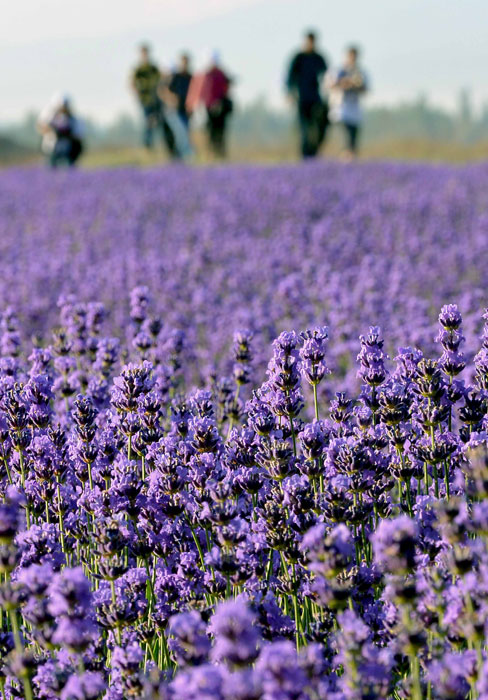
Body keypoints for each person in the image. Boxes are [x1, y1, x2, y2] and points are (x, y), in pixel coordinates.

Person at [130, 43, 177, 157]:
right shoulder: (138, 69)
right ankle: (148, 148)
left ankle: (169, 150)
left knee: (162, 123)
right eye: (143, 53)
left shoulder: (154, 68)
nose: (145, 55)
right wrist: (139, 95)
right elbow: (132, 84)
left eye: (146, 52)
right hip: (146, 101)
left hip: (157, 100)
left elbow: (161, 81)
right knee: (149, 124)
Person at [287, 30, 328, 159]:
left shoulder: (319, 58)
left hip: (317, 98)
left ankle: (314, 151)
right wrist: (290, 93)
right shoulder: (298, 58)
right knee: (304, 128)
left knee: (319, 127)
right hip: (302, 98)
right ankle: (306, 155)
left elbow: (327, 76)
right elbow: (290, 77)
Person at [186, 51, 233, 158]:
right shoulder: (203, 75)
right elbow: (196, 92)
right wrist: (193, 104)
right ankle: (209, 153)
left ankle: (219, 153)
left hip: (219, 108)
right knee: (208, 132)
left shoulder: (221, 74)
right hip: (206, 108)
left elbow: (225, 90)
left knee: (219, 132)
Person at [328, 46, 368, 160]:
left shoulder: (360, 72)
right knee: (346, 136)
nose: (353, 59)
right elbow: (330, 84)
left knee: (353, 138)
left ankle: (349, 158)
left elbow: (365, 89)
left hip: (355, 110)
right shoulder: (338, 70)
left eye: (354, 56)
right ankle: (346, 156)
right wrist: (344, 83)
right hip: (340, 109)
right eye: (351, 56)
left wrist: (356, 85)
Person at [37, 95, 84, 168]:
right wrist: (52, 131)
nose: (63, 109)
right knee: (51, 165)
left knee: (69, 166)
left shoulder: (74, 119)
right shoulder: (50, 116)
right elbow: (41, 126)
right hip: (52, 147)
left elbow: (78, 136)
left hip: (68, 147)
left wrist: (67, 135)